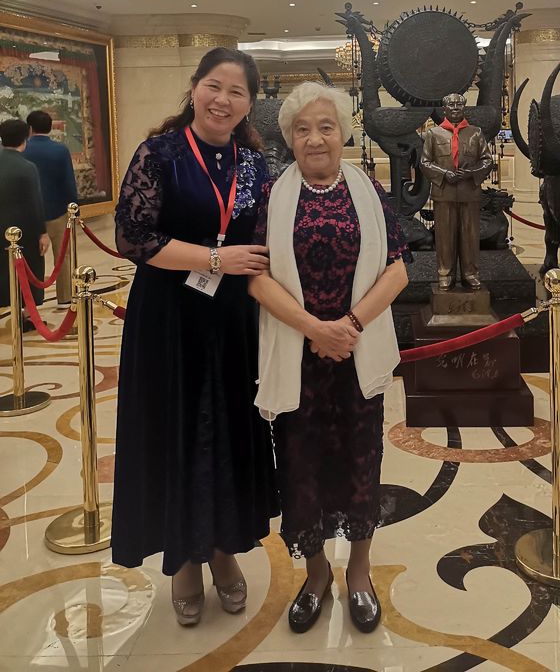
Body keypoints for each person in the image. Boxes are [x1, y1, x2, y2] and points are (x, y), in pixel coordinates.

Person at [111, 47, 278, 627]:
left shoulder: (253, 165)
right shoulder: (160, 153)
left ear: (249, 104)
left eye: (236, 92)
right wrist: (213, 258)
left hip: (232, 321)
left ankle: (224, 548)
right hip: (168, 319)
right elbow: (133, 236)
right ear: (194, 86)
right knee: (175, 431)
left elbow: (269, 237)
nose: (222, 100)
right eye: (214, 86)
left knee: (228, 432)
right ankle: (183, 559)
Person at [249, 83, 411, 634]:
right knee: (301, 469)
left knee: (361, 466)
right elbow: (256, 278)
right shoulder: (272, 196)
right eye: (303, 129)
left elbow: (398, 268)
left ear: (344, 133)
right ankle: (316, 574)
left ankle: (359, 573)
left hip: (355, 355)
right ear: (290, 139)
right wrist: (315, 329)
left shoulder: (369, 190)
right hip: (297, 358)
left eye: (326, 127)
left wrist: (350, 327)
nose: (315, 138)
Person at [420, 92, 493, 291]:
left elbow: (487, 160)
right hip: (444, 192)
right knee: (445, 237)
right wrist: (444, 173)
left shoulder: (475, 133)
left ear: (464, 108)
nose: (455, 108)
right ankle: (445, 274)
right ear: (444, 109)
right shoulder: (433, 134)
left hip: (469, 192)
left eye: (459, 105)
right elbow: (425, 162)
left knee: (470, 236)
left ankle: (471, 274)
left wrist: (471, 173)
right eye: (451, 105)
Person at [24, 109, 78, 308]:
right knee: (63, 256)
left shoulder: (24, 150)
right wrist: (75, 209)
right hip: (58, 212)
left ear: (30, 128)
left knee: (30, 259)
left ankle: (32, 298)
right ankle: (65, 297)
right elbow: (68, 183)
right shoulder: (60, 150)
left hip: (31, 215)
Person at [0, 119, 50, 329]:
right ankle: (28, 315)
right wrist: (42, 233)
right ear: (25, 137)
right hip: (24, 231)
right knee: (29, 270)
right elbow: (34, 203)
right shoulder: (27, 167)